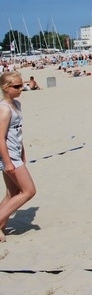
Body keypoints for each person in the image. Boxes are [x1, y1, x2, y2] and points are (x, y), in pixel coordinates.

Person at [0, 71, 37, 242]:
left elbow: (17, 132)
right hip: (7, 156)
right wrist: (7, 161)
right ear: (6, 88)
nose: (21, 88)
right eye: (17, 86)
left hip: (15, 153)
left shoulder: (17, 105)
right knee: (29, 191)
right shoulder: (4, 109)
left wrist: (22, 151)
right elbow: (0, 137)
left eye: (22, 85)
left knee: (12, 192)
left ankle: (2, 227)